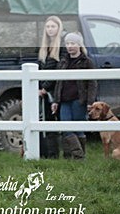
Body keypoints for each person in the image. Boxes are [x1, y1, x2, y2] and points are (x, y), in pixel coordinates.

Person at [51, 32, 97, 159]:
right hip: (64, 100)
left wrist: (90, 102)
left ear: (79, 45)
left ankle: (77, 157)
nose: (70, 46)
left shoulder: (87, 62)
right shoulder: (63, 62)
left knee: (78, 128)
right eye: (67, 43)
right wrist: (55, 101)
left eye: (73, 43)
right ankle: (77, 156)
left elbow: (92, 83)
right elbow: (58, 82)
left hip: (79, 100)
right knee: (66, 127)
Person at [37, 15, 65, 158]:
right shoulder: (44, 47)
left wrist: (45, 88)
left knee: (58, 123)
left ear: (58, 27)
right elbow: (41, 69)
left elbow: (58, 70)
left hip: (57, 91)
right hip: (45, 91)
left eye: (53, 26)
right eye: (48, 27)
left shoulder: (62, 46)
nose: (50, 29)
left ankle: (60, 154)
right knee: (46, 121)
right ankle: (48, 154)